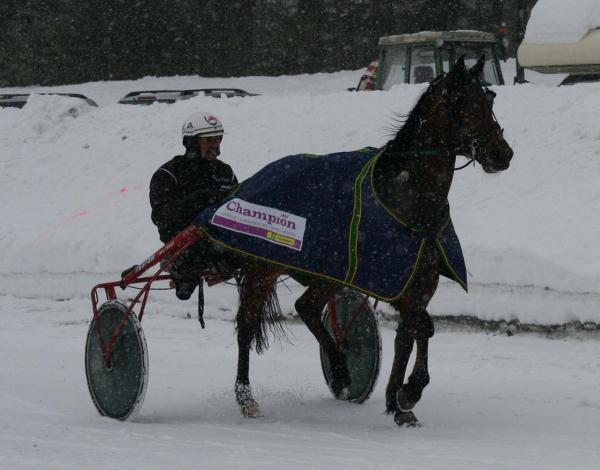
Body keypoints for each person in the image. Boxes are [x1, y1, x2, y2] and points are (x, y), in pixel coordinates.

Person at [149, 111, 238, 300]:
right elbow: (162, 218)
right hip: (185, 245)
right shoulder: (168, 174)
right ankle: (181, 269)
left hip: (223, 240)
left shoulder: (225, 172)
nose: (215, 145)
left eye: (218, 139)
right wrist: (197, 200)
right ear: (191, 142)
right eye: (208, 140)